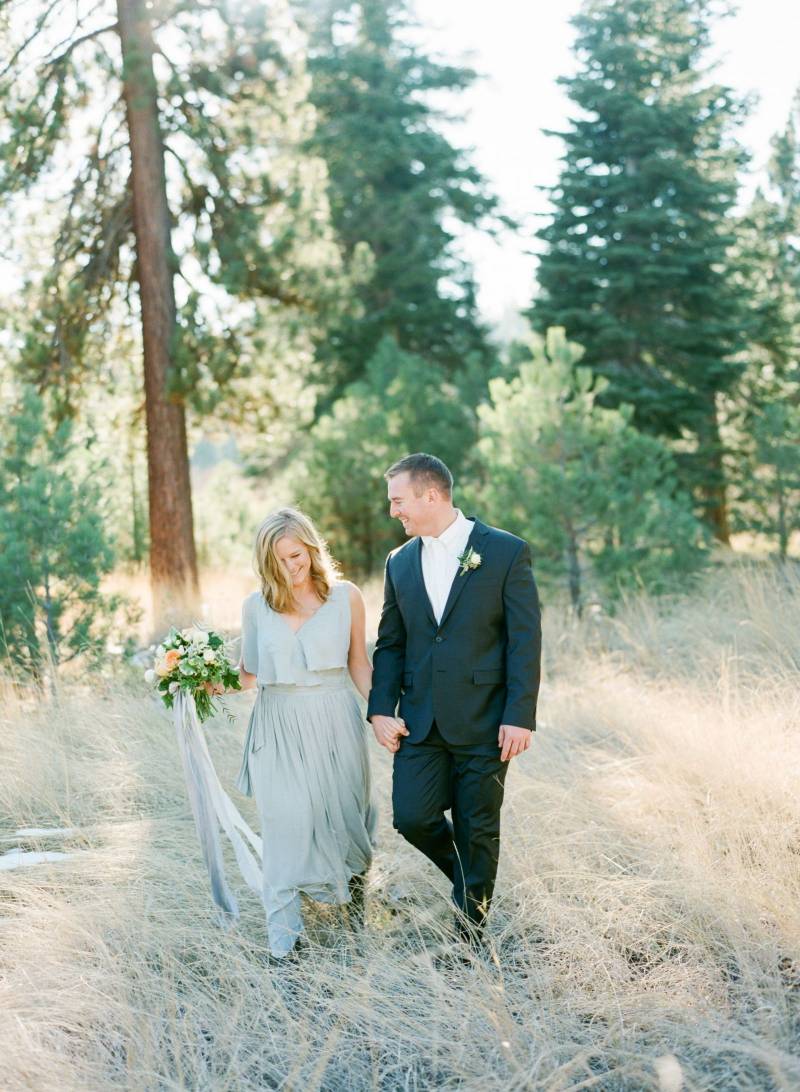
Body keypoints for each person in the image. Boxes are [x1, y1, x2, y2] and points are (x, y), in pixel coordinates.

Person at [367, 453, 541, 948]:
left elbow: (524, 641)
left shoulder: (505, 552)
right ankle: (472, 883)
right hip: (420, 721)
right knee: (412, 817)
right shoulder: (399, 562)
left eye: (398, 501)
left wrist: (519, 716)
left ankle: (470, 938)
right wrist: (381, 709)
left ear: (431, 495)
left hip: (487, 721)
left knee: (478, 826)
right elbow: (392, 642)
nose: (394, 511)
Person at [234, 507, 376, 958]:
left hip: (336, 720)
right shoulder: (256, 606)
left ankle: (354, 910)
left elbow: (358, 663)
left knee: (346, 825)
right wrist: (192, 675)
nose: (289, 568)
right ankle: (284, 948)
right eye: (277, 561)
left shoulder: (346, 597)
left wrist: (382, 715)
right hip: (277, 724)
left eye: (295, 556)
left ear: (311, 548)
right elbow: (248, 674)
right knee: (284, 827)